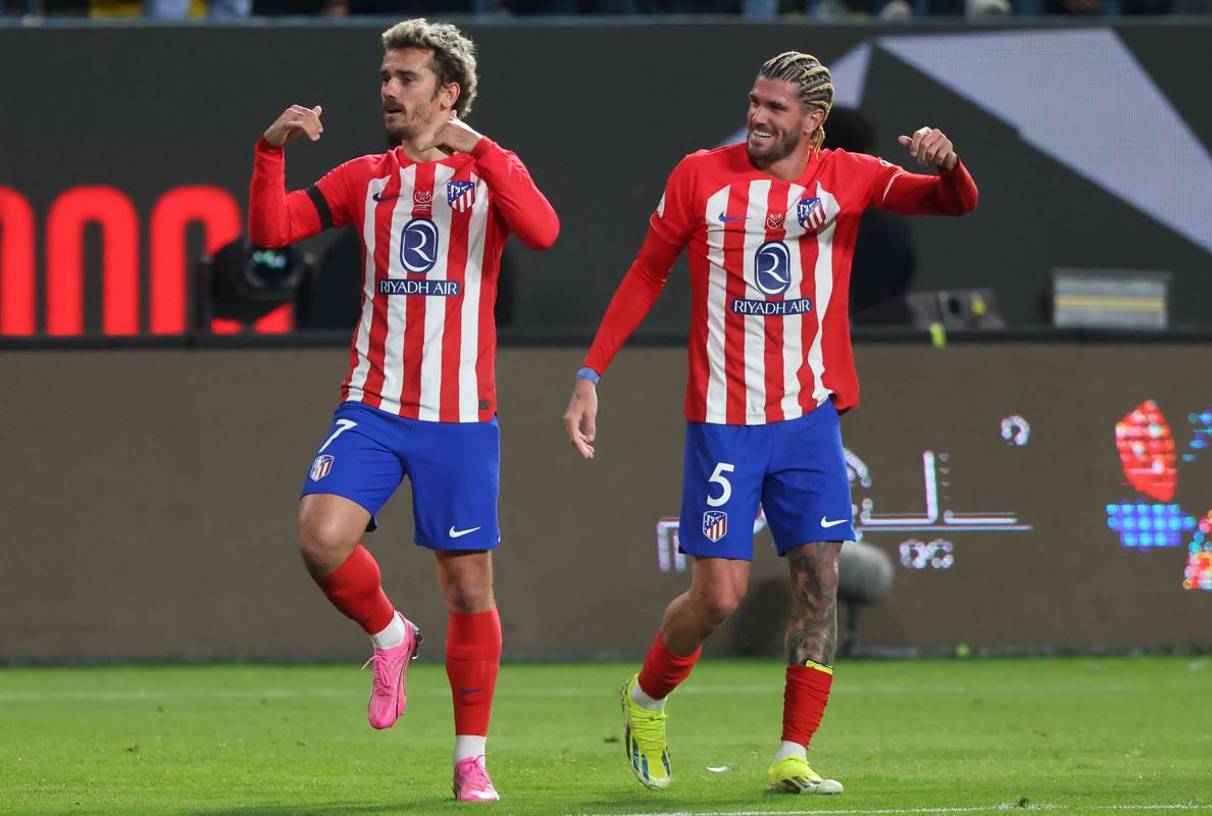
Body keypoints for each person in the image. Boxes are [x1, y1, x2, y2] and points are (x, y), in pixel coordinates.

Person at [562, 50, 977, 795]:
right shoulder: (700, 176)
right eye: (754, 101)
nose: (756, 116)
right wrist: (592, 373)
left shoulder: (849, 176)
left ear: (812, 120)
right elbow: (648, 271)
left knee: (819, 581)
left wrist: (950, 167)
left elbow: (952, 204)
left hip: (808, 419)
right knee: (717, 598)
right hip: (724, 421)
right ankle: (646, 698)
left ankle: (793, 752)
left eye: (774, 107)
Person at [248, 18, 559, 803]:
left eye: (407, 77)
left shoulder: (490, 171)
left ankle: (470, 759)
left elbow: (544, 231)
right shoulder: (365, 177)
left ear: (448, 92)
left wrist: (480, 148)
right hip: (375, 404)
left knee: (467, 589)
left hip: (460, 416)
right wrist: (270, 151)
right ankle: (390, 633)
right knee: (321, 536)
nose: (388, 89)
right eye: (385, 77)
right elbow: (272, 230)